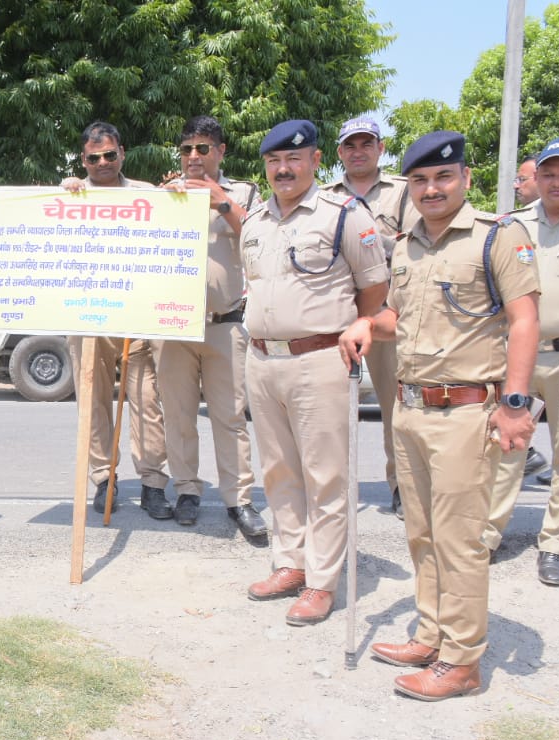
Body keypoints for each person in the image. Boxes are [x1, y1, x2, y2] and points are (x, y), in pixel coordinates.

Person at [363, 131, 540, 701]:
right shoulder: (406, 245)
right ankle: (431, 634)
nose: (431, 189)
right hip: (410, 408)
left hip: (466, 412)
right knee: (422, 533)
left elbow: (525, 320)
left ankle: (462, 662)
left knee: (460, 538)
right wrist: (365, 324)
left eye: (443, 177)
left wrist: (515, 404)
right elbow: (398, 317)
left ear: (465, 177)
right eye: (419, 180)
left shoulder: (498, 236)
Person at [241, 119, 388, 627]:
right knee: (279, 471)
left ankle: (322, 582)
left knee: (326, 476)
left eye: (293, 159)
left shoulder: (344, 214)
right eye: (274, 161)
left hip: (321, 358)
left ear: (315, 160)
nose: (283, 169)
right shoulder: (255, 221)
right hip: (263, 360)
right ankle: (290, 562)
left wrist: (349, 328)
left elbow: (374, 286)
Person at [483, 136, 559, 587]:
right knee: (504, 445)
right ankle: (486, 535)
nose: (557, 181)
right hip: (519, 353)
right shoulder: (514, 225)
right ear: (537, 177)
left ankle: (555, 545)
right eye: (548, 173)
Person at [159, 116, 266, 538]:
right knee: (178, 417)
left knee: (230, 417)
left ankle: (239, 500)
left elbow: (259, 238)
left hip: (226, 324)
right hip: (174, 326)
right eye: (187, 149)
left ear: (220, 151)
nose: (193, 156)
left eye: (203, 148)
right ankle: (186, 490)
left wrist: (220, 201)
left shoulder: (245, 193)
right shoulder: (166, 194)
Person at [60, 121, 173, 520]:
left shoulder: (146, 195)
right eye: (94, 158)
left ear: (122, 154)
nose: (103, 163)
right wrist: (64, 192)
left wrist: (177, 198)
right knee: (92, 404)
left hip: (137, 320)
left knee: (146, 402)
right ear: (84, 160)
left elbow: (171, 236)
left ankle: (153, 483)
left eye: (110, 155)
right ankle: (103, 480)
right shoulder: (71, 195)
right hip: (88, 320)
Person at [322, 116, 410, 519]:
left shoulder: (403, 192)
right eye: (350, 146)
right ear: (340, 152)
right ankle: (331, 488)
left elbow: (417, 243)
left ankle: (401, 485)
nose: (358, 152)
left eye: (366, 144)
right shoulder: (324, 196)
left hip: (387, 313)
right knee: (330, 410)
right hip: (338, 314)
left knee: (397, 407)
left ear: (380, 148)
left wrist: (367, 240)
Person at [515, 156, 552, 483]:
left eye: (522, 179)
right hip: (521, 345)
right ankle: (527, 455)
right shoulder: (513, 224)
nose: (517, 185)